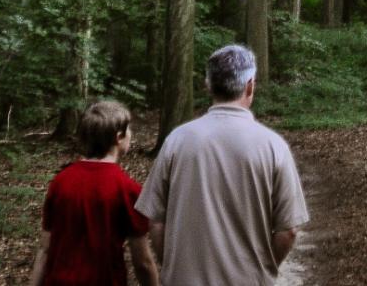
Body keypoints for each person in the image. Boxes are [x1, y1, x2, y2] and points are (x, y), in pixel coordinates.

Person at [137, 44, 309, 286]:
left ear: (208, 85)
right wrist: (263, 270)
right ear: (250, 85)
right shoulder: (273, 146)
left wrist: (174, 265)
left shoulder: (177, 140)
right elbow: (288, 230)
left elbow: (155, 220)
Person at [30, 99, 160, 286]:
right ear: (118, 137)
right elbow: (143, 263)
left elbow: (45, 249)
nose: (131, 134)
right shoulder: (127, 189)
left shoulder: (60, 181)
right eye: (129, 129)